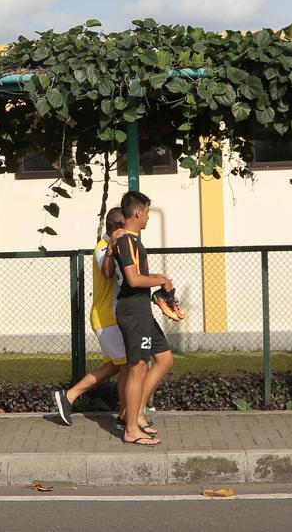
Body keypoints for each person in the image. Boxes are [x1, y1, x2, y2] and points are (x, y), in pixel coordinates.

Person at [54, 208, 153, 431]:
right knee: (129, 364)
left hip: (111, 316)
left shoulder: (119, 244)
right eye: (122, 226)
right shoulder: (102, 249)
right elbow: (107, 272)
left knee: (117, 366)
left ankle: (118, 411)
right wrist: (110, 248)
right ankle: (74, 397)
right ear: (114, 228)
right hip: (106, 316)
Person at [112, 191, 174, 445]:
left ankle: (135, 413)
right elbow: (133, 279)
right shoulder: (126, 241)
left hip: (141, 309)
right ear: (138, 212)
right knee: (137, 368)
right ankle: (130, 429)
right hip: (133, 311)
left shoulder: (129, 240)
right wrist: (162, 279)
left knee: (164, 359)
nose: (148, 216)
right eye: (147, 211)